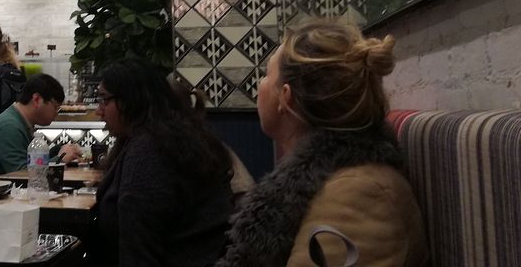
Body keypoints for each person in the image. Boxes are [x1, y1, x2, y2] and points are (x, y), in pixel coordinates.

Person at [217, 19, 427, 267]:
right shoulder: (330, 179)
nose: (259, 85)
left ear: (285, 97)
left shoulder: (358, 194)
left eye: (265, 76)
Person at [88, 58, 233, 267]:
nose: (98, 110)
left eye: (104, 99)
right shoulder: (173, 137)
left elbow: (139, 254)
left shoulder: (148, 153)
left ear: (130, 100)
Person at [0, 74, 81, 175]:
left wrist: (57, 151)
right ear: (36, 99)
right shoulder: (9, 127)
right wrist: (60, 159)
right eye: (56, 107)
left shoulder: (19, 121)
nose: (56, 113)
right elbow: (22, 174)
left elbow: (32, 163)